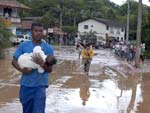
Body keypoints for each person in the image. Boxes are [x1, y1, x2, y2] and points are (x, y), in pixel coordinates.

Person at [12, 22, 54, 113]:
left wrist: (42, 63)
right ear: (31, 32)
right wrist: (22, 70)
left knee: (38, 111)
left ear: (43, 32)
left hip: (40, 85)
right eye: (36, 30)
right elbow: (14, 61)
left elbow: (50, 69)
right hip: (25, 85)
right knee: (26, 110)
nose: (38, 33)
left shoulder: (48, 48)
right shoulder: (23, 45)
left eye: (40, 31)